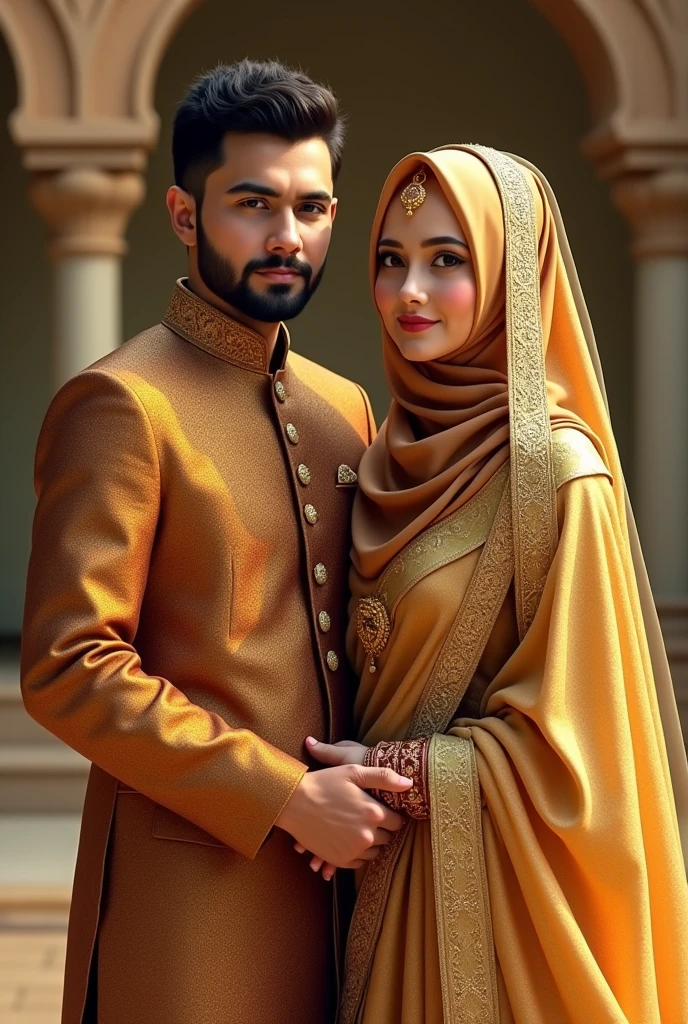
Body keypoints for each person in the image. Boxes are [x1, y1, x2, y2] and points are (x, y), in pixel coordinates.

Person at [20, 60, 413, 1024]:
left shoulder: (342, 407)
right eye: (253, 204)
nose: (289, 236)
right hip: (189, 907)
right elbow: (69, 666)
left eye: (313, 207)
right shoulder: (121, 404)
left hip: (345, 884)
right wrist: (282, 795)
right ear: (185, 215)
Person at [307, 145, 688, 1023]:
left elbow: (584, 755)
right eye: (390, 260)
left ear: (516, 275)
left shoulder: (559, 476)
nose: (410, 291)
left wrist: (395, 770)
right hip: (369, 890)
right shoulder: (374, 458)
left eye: (449, 261)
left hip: (503, 924)